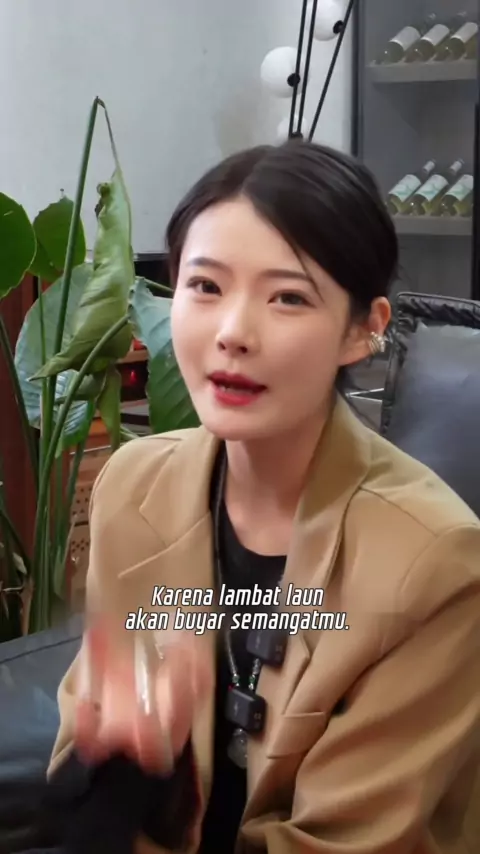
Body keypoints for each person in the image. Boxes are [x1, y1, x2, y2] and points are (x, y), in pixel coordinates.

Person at [45, 140, 480, 854]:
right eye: (205, 286)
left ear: (363, 330)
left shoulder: (436, 563)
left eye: (288, 297)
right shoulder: (133, 486)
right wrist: (130, 771)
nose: (232, 334)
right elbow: (87, 753)